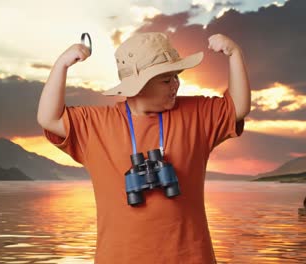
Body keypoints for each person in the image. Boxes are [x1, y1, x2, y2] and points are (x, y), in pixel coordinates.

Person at [37, 32, 251, 263]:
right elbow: (49, 118)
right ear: (138, 86)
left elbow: (238, 107)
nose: (176, 84)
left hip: (190, 257)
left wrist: (234, 54)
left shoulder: (195, 113)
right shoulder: (97, 123)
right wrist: (62, 65)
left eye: (176, 76)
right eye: (166, 80)